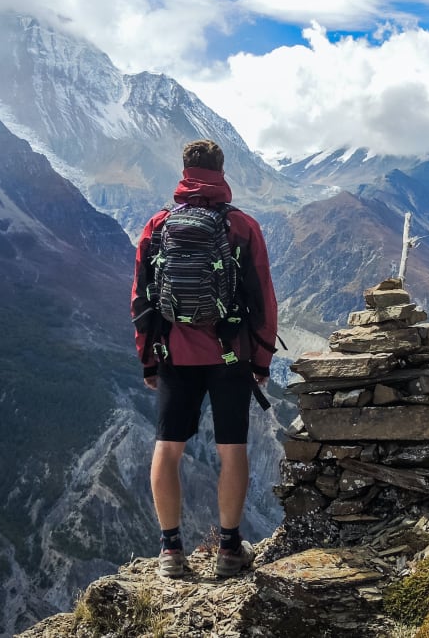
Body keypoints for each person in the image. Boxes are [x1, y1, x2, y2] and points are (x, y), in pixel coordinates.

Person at [131, 139, 278, 578]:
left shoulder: (157, 226)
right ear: (222, 170)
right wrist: (262, 360)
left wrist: (148, 360)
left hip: (174, 353)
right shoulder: (243, 227)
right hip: (231, 355)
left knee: (168, 448)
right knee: (232, 450)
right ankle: (230, 549)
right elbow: (263, 300)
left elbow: (141, 300)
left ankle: (171, 551)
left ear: (183, 171)